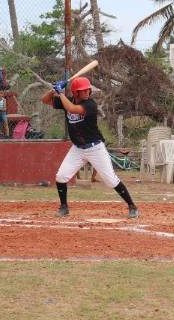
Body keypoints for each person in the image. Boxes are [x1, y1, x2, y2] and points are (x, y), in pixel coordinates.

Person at [40, 77, 139, 218]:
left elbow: (72, 109)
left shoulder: (90, 105)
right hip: (78, 149)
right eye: (82, 90)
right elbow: (44, 100)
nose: (86, 92)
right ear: (75, 93)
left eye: (87, 89)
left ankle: (132, 206)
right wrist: (53, 89)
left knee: (111, 180)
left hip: (95, 148)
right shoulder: (68, 100)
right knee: (61, 176)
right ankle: (64, 207)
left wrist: (60, 93)